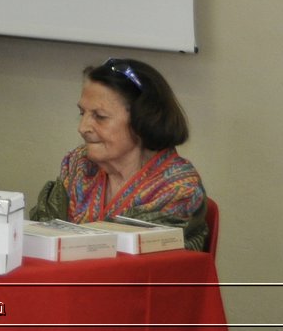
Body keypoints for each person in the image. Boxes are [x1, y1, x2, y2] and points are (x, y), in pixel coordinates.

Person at [28, 57, 209, 251]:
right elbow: (41, 238)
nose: (82, 128)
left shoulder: (178, 189)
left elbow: (145, 270)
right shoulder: (79, 165)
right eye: (83, 113)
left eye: (100, 117)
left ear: (141, 120)